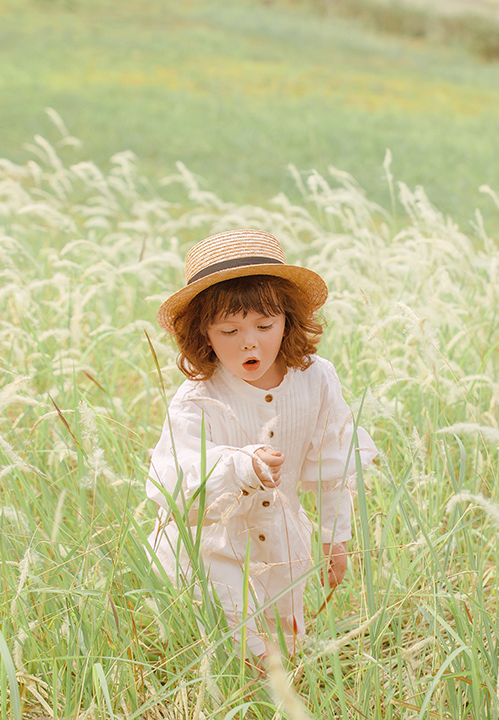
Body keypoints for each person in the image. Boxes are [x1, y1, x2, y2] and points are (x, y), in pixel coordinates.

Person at [147, 228, 376, 657]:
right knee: (246, 651)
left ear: (288, 320)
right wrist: (240, 466)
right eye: (229, 330)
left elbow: (333, 458)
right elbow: (174, 476)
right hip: (212, 543)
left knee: (284, 646)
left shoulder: (316, 378)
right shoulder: (199, 397)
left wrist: (333, 536)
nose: (250, 341)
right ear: (204, 335)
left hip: (282, 540)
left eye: (264, 325)